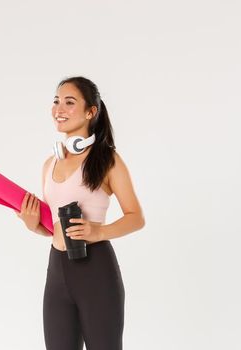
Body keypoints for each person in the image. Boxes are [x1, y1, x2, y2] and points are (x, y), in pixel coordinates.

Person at [16, 76, 145, 350]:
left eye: (69, 102)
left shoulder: (107, 160)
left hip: (95, 270)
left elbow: (136, 216)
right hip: (57, 272)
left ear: (91, 112)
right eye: (56, 101)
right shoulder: (49, 164)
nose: (58, 109)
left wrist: (99, 231)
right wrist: (34, 225)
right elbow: (54, 227)